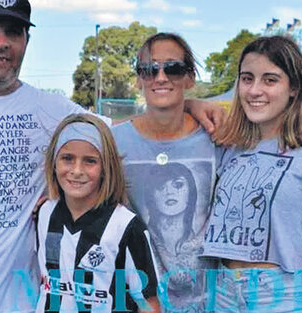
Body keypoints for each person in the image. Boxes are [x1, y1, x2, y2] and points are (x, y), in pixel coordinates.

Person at [0, 1, 223, 312]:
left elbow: (123, 130)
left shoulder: (51, 110)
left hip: (24, 302)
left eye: (13, 31)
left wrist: (185, 103)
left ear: (26, 41)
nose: (1, 41)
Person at [201, 35, 302, 313]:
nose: (255, 90)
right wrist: (192, 104)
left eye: (270, 80)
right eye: (247, 78)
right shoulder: (229, 146)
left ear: (294, 88)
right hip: (223, 295)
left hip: (282, 297)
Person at [113, 32, 218, 313]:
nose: (160, 77)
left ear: (190, 77)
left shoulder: (216, 137)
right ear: (138, 79)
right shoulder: (113, 141)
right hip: (141, 302)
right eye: (149, 69)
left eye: (172, 68)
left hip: (209, 302)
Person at [36, 113, 159, 313]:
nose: (77, 170)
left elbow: (148, 303)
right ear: (53, 162)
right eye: (67, 158)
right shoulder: (44, 213)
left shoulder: (126, 226)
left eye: (90, 161)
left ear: (105, 167)